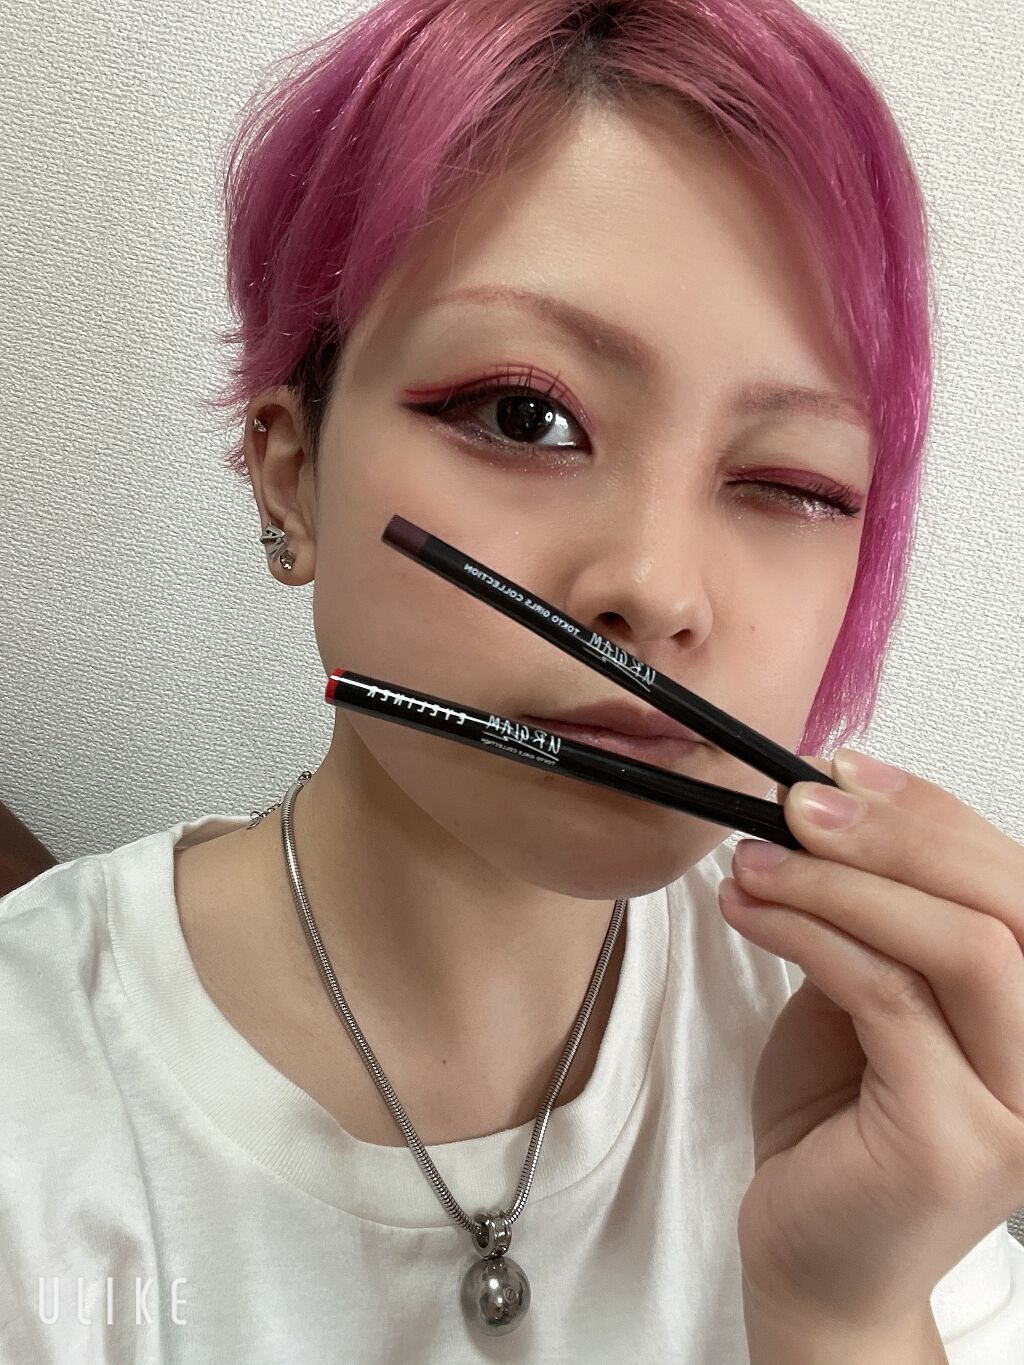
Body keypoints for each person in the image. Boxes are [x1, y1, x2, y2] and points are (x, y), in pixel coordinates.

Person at [2, 1, 1023, 1360]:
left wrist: (848, 1309)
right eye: (523, 415)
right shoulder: (37, 1105)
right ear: (290, 473)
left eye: (790, 481)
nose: (657, 587)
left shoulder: (857, 1054)